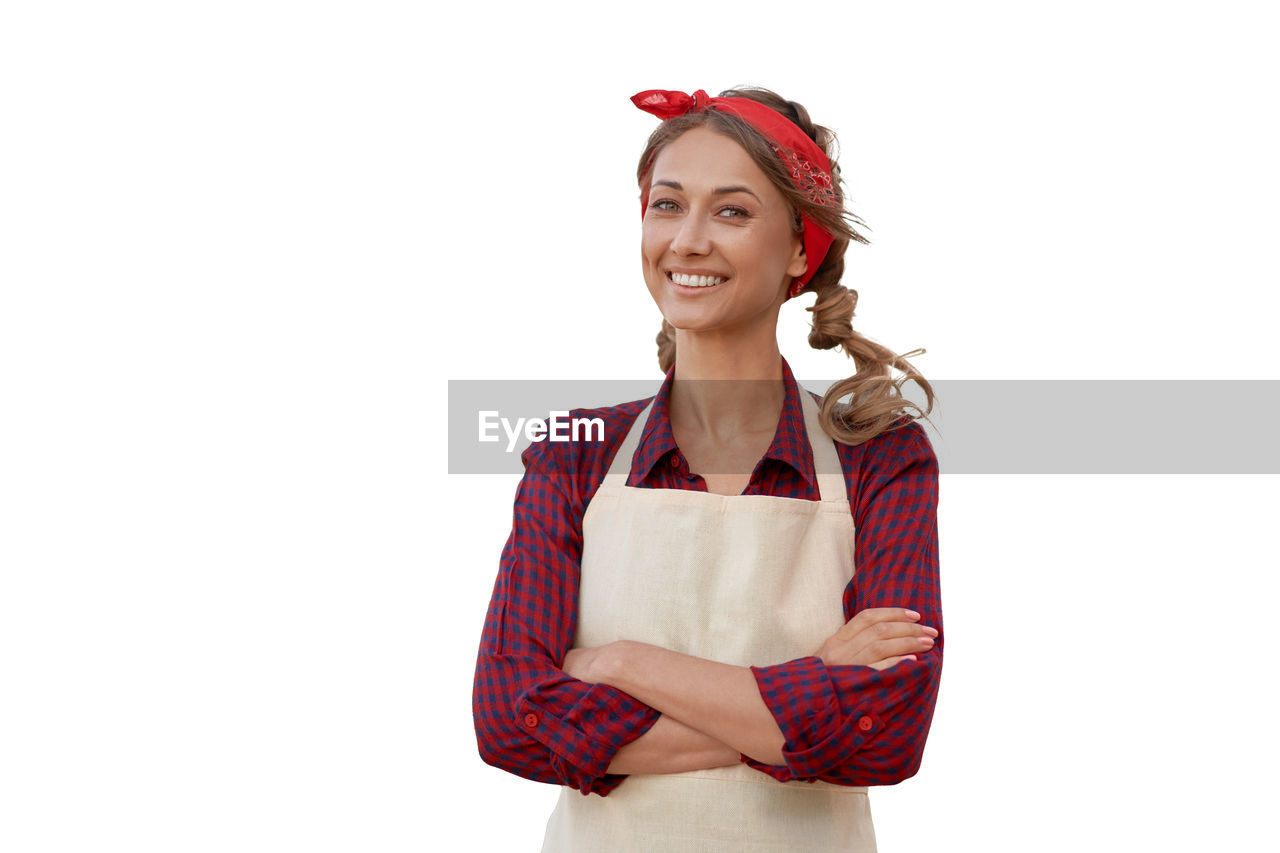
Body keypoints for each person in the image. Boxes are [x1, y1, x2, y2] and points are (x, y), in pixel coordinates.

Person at [471, 86, 942, 852]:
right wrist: (812, 683)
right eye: (667, 205)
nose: (687, 241)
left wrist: (621, 663)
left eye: (731, 211)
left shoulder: (880, 459)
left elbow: (886, 734)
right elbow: (509, 719)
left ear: (799, 247)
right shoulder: (573, 454)